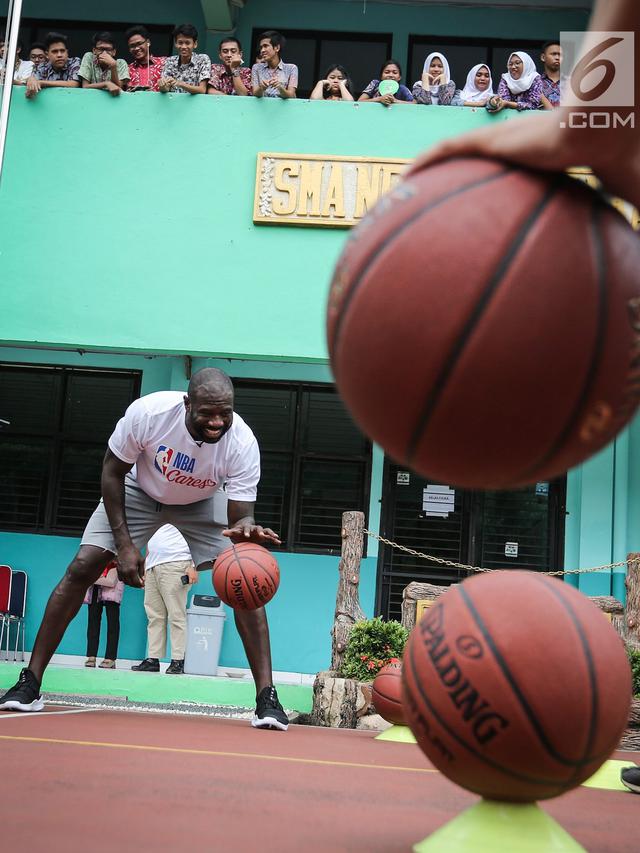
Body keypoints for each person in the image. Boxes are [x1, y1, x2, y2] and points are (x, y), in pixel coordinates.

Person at [0, 368, 289, 731]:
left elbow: (240, 515)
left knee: (244, 581)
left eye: (225, 413)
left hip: (202, 502)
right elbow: (111, 472)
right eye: (207, 413)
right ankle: (29, 682)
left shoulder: (242, 442)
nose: (217, 422)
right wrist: (123, 545)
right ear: (187, 404)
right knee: (82, 566)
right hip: (137, 490)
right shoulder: (150, 414)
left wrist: (247, 528)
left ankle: (266, 699)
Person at [407, 0, 639, 217]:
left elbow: (537, 105)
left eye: (562, 54)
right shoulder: (507, 80)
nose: (513, 66)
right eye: (511, 63)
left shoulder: (557, 83)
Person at [131, 524, 198, 675]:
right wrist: (146, 567)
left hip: (177, 564)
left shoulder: (185, 511)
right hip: (153, 566)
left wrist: (193, 565)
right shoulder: (154, 514)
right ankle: (153, 659)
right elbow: (151, 541)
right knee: (154, 616)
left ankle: (177, 660)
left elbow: (197, 534)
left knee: (176, 615)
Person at [84, 562, 124, 669]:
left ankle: (110, 658)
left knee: (112, 621)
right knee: (93, 620)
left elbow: (111, 580)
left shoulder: (117, 556)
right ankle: (91, 656)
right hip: (95, 585)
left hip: (113, 585)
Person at [25, 32, 80, 99]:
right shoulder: (42, 67)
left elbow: (73, 84)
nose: (59, 55)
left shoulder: (74, 62)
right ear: (47, 55)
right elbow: (32, 81)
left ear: (67, 53)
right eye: (55, 51)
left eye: (62, 51)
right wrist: (31, 79)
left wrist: (41, 83)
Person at [159, 23, 210, 95]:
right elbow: (166, 89)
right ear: (175, 44)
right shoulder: (170, 61)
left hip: (195, 102)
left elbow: (202, 90)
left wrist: (181, 84)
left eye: (187, 43)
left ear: (195, 44)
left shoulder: (203, 59)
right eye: (180, 43)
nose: (183, 47)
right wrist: (162, 86)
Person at [79, 31, 130, 96]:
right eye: (101, 49)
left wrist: (113, 66)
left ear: (114, 52)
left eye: (108, 49)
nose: (104, 53)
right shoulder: (89, 57)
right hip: (91, 98)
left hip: (112, 100)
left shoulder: (121, 63)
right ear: (94, 50)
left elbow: (117, 89)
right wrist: (106, 84)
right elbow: (85, 86)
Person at [251, 30, 297, 99]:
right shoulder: (256, 67)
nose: (262, 50)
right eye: (261, 47)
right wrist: (262, 88)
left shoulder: (291, 68)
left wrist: (280, 88)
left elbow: (291, 95)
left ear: (277, 48)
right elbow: (254, 93)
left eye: (265, 46)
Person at [126, 25, 166, 92]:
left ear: (148, 42)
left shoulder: (164, 63)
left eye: (139, 43)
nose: (136, 48)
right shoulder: (127, 69)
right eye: (132, 46)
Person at [539, 41, 562, 108]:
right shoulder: (535, 83)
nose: (557, 57)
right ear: (543, 57)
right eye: (554, 54)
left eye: (560, 55)